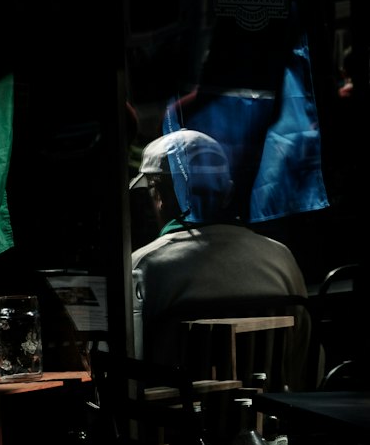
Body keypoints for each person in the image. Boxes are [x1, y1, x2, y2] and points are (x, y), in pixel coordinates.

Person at [130, 128, 314, 388]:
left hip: (175, 425)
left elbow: (133, 365)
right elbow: (301, 354)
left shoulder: (144, 266)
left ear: (158, 194)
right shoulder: (280, 256)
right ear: (227, 191)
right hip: (273, 418)